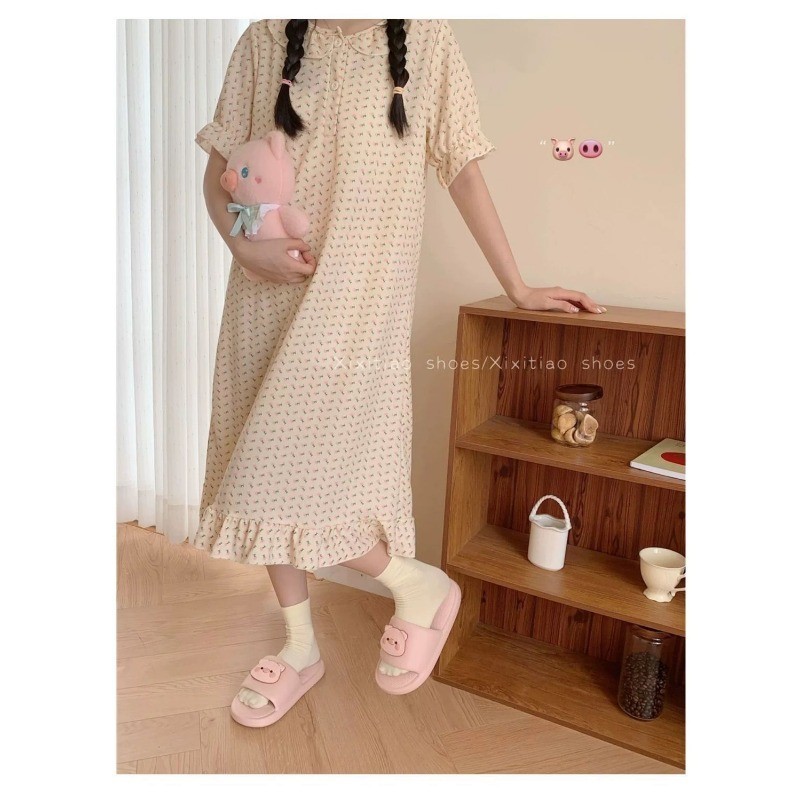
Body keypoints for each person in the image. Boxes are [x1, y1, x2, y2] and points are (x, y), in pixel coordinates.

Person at [192, 18, 605, 728]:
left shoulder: (426, 41)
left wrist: (517, 286)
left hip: (356, 305)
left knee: (281, 471)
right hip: (264, 296)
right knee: (261, 469)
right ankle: (300, 646)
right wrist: (243, 247)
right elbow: (218, 174)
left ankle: (414, 584)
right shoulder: (264, 39)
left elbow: (462, 170)